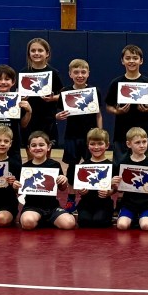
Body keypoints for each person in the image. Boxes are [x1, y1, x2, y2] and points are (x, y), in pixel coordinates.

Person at [56, 58, 103, 211]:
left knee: (91, 166)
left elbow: (98, 115)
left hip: (90, 137)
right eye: (76, 72)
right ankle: (71, 198)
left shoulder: (94, 91)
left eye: (83, 72)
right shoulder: (65, 92)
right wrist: (58, 117)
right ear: (70, 74)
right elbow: (57, 113)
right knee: (72, 167)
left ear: (88, 73)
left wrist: (100, 133)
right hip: (72, 136)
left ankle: (90, 198)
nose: (80, 75)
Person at [105, 45, 148, 165]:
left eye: (135, 58)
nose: (131, 61)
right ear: (122, 61)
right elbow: (108, 106)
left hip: (142, 132)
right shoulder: (116, 83)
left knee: (141, 165)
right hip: (121, 133)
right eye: (128, 58)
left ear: (141, 61)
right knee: (119, 166)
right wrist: (117, 111)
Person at [16, 131, 75, 230]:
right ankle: (39, 218)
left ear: (48, 147)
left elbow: (62, 188)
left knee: (69, 223)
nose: (38, 148)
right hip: (32, 207)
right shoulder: (25, 167)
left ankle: (47, 219)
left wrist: (64, 180)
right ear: (29, 148)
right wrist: (15, 186)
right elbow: (19, 190)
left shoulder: (55, 165)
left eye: (41, 145)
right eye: (34, 145)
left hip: (52, 207)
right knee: (27, 223)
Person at [111, 127, 148, 230]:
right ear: (129, 144)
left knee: (145, 226)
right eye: (137, 142)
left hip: (147, 204)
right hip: (128, 204)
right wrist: (114, 184)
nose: (142, 145)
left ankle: (142, 217)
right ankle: (133, 217)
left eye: (144, 142)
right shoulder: (123, 164)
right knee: (121, 226)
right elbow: (120, 189)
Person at [21, 38, 65, 147]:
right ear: (29, 53)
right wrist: (21, 98)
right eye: (33, 50)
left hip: (47, 118)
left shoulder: (53, 73)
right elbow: (18, 96)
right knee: (30, 150)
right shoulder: (23, 72)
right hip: (28, 118)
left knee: (46, 151)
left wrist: (52, 98)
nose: (36, 53)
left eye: (40, 50)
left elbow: (64, 95)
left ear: (47, 53)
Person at [70, 128, 115, 228]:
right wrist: (81, 191)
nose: (96, 147)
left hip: (104, 202)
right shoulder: (83, 165)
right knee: (84, 222)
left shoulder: (111, 165)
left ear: (107, 145)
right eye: (92, 144)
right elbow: (79, 187)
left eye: (100, 143)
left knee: (99, 222)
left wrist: (109, 192)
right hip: (86, 202)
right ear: (88, 145)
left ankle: (108, 215)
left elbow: (115, 188)